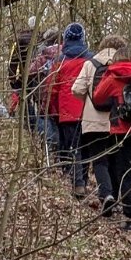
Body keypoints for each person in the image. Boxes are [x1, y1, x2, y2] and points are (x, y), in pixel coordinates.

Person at [92, 47, 131, 228]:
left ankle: (130, 215)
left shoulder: (113, 76)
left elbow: (98, 98)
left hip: (120, 130)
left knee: (124, 172)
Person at [72, 34, 127, 208]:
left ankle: (106, 195)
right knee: (115, 160)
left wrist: (89, 100)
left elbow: (76, 89)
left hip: (93, 121)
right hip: (117, 121)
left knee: (99, 160)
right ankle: (117, 198)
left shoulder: (90, 64)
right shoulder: (123, 65)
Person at [43, 23, 95, 197]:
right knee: (86, 147)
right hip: (88, 110)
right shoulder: (91, 59)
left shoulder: (59, 62)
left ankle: (78, 183)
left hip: (66, 112)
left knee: (74, 148)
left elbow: (52, 88)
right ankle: (83, 182)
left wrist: (51, 110)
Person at [24, 27, 61, 143]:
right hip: (62, 94)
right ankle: (59, 148)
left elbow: (30, 72)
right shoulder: (67, 55)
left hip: (43, 94)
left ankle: (50, 143)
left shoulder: (43, 56)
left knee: (46, 120)